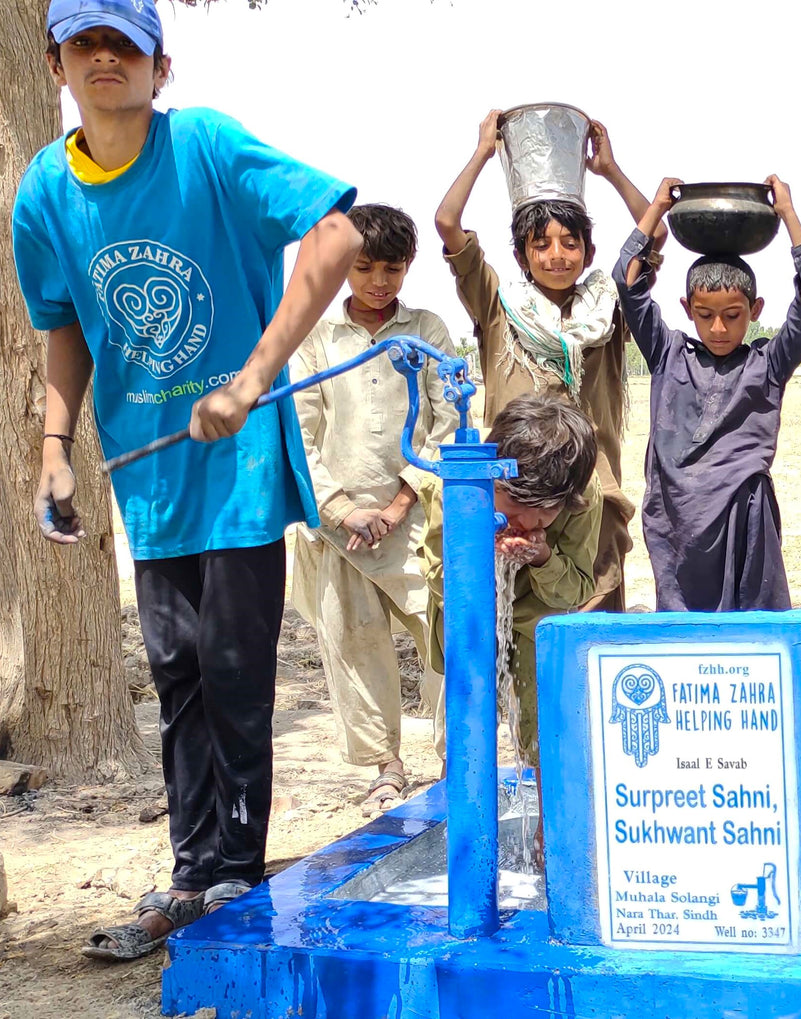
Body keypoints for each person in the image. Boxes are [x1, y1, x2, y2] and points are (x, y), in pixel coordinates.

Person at [12, 0, 362, 960]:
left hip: (239, 462)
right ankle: (192, 873)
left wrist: (252, 379)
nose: (104, 58)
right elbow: (65, 323)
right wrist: (54, 443)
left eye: (123, 43)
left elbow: (334, 235)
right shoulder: (44, 193)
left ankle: (236, 883)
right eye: (85, 43)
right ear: (57, 65)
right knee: (174, 675)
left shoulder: (204, 147)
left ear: (160, 67)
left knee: (237, 673)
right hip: (151, 473)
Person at [435, 112, 663, 613]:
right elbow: (447, 224)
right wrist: (481, 154)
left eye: (570, 242)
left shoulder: (609, 308)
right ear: (521, 254)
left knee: (590, 628)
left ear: (588, 250)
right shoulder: (497, 305)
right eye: (541, 244)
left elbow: (654, 238)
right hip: (513, 493)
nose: (557, 255)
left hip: (591, 498)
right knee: (514, 626)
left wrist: (611, 171)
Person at [290, 204, 458, 815]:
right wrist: (337, 507)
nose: (378, 281)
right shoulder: (316, 336)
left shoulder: (428, 329)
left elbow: (449, 420)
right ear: (344, 268)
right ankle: (386, 766)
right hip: (339, 527)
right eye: (364, 268)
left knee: (444, 637)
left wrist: (400, 500)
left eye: (391, 267)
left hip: (415, 519)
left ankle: (455, 758)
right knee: (355, 645)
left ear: (408, 266)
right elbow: (300, 427)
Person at [612, 175, 801, 611]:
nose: (718, 328)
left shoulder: (768, 364)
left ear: (755, 310)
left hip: (744, 519)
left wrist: (787, 214)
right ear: (686, 310)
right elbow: (627, 282)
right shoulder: (667, 352)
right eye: (704, 314)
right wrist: (656, 208)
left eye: (733, 315)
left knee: (752, 635)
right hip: (675, 519)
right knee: (686, 637)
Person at [418, 394, 601, 851]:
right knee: (468, 717)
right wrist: (477, 545)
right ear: (493, 472)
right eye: (516, 505)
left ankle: (551, 839)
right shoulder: (458, 481)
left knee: (545, 729)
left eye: (545, 514)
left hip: (538, 623)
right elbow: (439, 576)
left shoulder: (584, 499)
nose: (526, 520)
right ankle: (462, 834)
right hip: (471, 617)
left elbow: (578, 590)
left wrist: (543, 556)